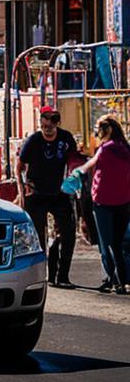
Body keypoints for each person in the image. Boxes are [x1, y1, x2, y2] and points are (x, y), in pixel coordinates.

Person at [16, 107, 78, 289]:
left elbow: (73, 161)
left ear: (57, 124)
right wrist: (21, 190)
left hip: (60, 193)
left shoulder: (66, 138)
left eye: (51, 125)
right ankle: (40, 276)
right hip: (36, 194)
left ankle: (62, 276)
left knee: (68, 233)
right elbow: (19, 166)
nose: (48, 129)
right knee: (36, 237)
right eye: (44, 126)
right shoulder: (33, 141)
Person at [73, 115, 130, 293]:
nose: (97, 133)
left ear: (108, 130)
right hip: (124, 202)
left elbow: (90, 167)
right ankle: (122, 281)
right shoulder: (127, 149)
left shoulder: (105, 149)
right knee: (120, 243)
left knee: (106, 244)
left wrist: (78, 173)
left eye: (99, 129)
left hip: (103, 203)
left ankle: (109, 278)